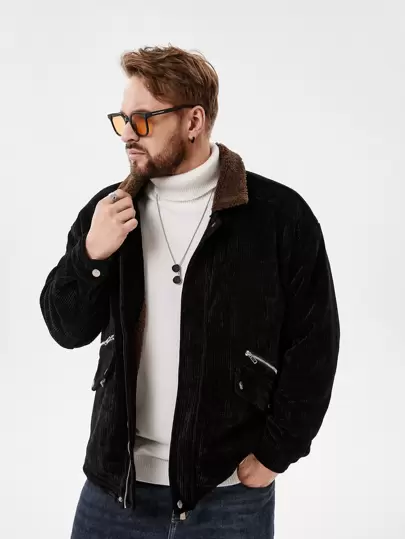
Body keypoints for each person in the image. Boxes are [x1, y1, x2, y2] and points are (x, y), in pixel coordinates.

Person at [39, 45, 340, 539]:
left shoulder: (278, 218)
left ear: (194, 121)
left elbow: (314, 348)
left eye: (142, 120)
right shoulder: (110, 211)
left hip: (226, 495)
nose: (127, 135)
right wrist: (91, 255)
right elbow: (64, 328)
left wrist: (275, 455)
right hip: (117, 489)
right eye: (122, 120)